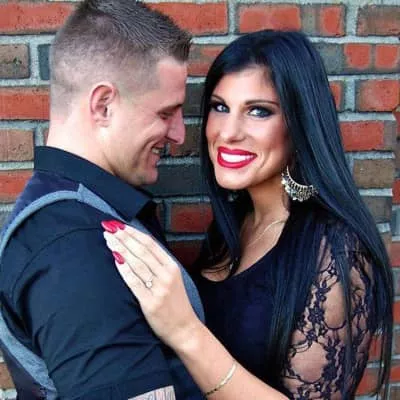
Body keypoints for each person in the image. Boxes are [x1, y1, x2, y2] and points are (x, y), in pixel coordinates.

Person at [102, 30, 394, 398]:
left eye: (259, 111)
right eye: (220, 107)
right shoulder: (233, 226)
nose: (228, 132)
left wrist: (183, 331)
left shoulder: (336, 251)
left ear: (300, 125)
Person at [0, 1, 205, 399]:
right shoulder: (73, 247)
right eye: (166, 113)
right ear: (103, 105)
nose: (179, 134)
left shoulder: (79, 220)